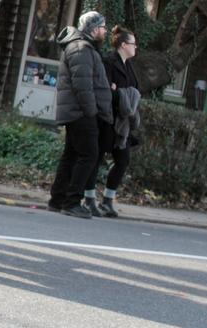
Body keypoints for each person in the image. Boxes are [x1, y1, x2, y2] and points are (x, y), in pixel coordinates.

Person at [48, 11, 112, 219]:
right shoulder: (81, 48)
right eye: (103, 27)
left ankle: (57, 199)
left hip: (77, 111)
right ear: (93, 29)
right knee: (88, 154)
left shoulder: (83, 48)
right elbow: (83, 86)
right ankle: (72, 201)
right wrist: (92, 112)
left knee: (72, 155)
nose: (105, 31)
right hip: (80, 112)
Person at [95, 25, 141, 218]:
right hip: (108, 119)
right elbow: (108, 90)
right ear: (123, 45)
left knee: (122, 160)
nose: (135, 47)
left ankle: (108, 198)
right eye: (133, 44)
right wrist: (120, 94)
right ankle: (89, 198)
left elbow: (134, 91)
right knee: (96, 158)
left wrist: (122, 93)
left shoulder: (129, 66)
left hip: (123, 123)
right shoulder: (109, 61)